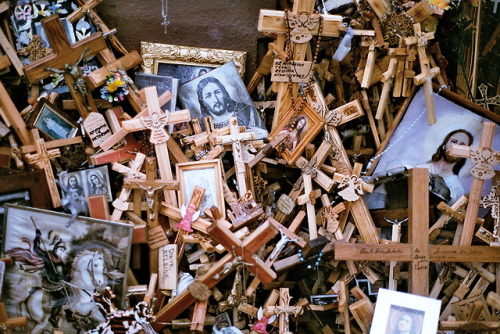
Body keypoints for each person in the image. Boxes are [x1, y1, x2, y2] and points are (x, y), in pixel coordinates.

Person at [6, 229, 70, 327]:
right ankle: (53, 316)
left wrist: (65, 277)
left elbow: (65, 273)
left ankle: (69, 314)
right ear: (56, 249)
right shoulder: (48, 257)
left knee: (71, 294)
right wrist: (37, 237)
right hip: (50, 282)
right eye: (61, 249)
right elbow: (37, 250)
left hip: (60, 283)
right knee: (61, 297)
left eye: (63, 250)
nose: (62, 252)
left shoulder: (60, 261)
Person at [196, 76, 268, 138]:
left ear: (223, 93)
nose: (215, 99)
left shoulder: (247, 111)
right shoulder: (203, 126)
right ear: (203, 102)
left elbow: (263, 135)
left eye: (217, 92)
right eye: (208, 96)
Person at [419, 129, 473, 204]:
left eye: (462, 145)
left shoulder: (457, 189)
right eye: (454, 142)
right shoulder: (421, 168)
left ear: (465, 154)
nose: (456, 147)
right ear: (444, 146)